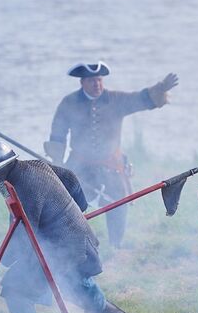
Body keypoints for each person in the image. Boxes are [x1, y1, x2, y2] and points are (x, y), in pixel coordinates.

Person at [0, 142, 137, 313]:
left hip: (65, 250)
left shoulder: (25, 185)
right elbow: (69, 177)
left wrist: (2, 258)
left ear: (2, 167)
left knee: (15, 288)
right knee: (77, 288)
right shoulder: (35, 165)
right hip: (68, 244)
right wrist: (79, 206)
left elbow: (25, 233)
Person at [44, 61, 178, 249]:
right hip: (80, 164)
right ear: (82, 82)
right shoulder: (69, 103)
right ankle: (71, 245)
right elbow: (57, 135)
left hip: (111, 165)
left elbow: (141, 99)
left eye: (99, 80)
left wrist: (161, 88)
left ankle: (115, 245)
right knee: (69, 204)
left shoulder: (115, 99)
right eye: (92, 81)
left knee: (119, 203)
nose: (97, 84)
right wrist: (58, 164)